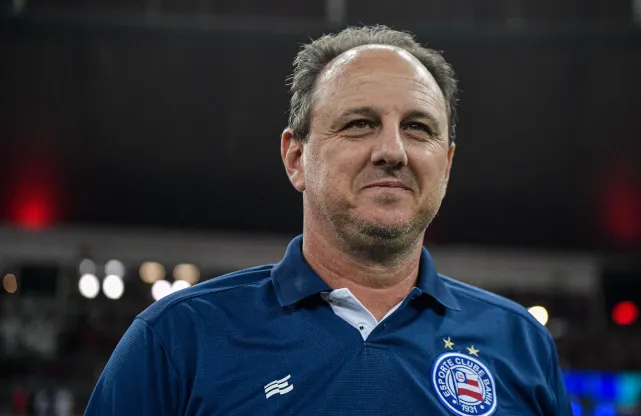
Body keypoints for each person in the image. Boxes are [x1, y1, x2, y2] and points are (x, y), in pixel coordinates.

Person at [83, 25, 573, 415]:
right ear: (296, 158)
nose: (392, 151)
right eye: (360, 124)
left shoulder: (521, 345)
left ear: (445, 164)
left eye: (417, 128)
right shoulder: (179, 339)